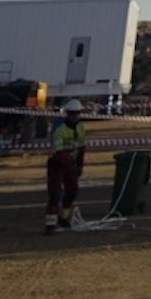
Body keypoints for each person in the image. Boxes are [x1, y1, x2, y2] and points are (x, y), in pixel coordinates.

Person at [45, 100, 86, 234]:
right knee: (55, 194)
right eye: (72, 114)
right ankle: (50, 224)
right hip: (57, 165)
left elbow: (81, 148)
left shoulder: (80, 128)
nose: (74, 116)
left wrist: (79, 166)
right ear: (67, 114)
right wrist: (72, 165)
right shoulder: (60, 130)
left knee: (72, 191)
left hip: (71, 165)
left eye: (77, 114)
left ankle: (63, 218)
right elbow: (58, 152)